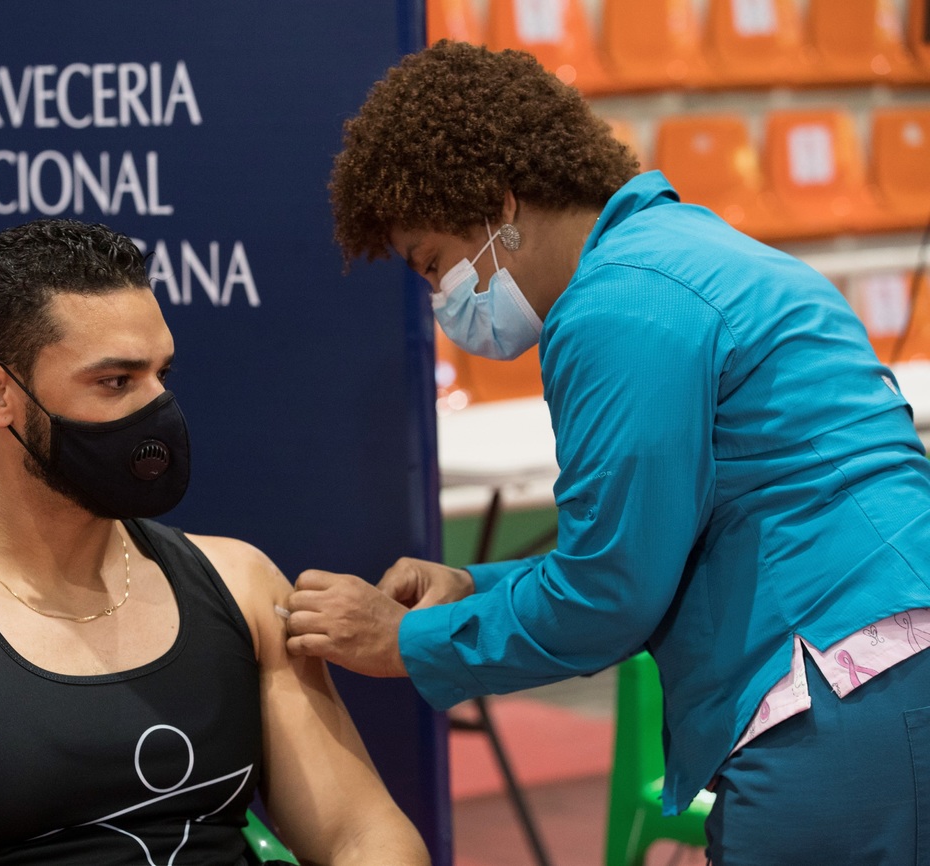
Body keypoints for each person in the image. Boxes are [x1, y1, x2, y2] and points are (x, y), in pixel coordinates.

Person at [285, 40, 930, 864]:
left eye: (436, 264)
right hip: (881, 673)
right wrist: (472, 587)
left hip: (838, 701)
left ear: (498, 205)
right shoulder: (687, 249)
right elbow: (643, 550)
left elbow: (609, 596)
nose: (442, 296)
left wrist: (404, 642)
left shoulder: (617, 306)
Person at [0, 219, 430, 866]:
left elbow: (364, 835)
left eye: (162, 375)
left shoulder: (241, 584)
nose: (157, 411)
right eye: (115, 382)